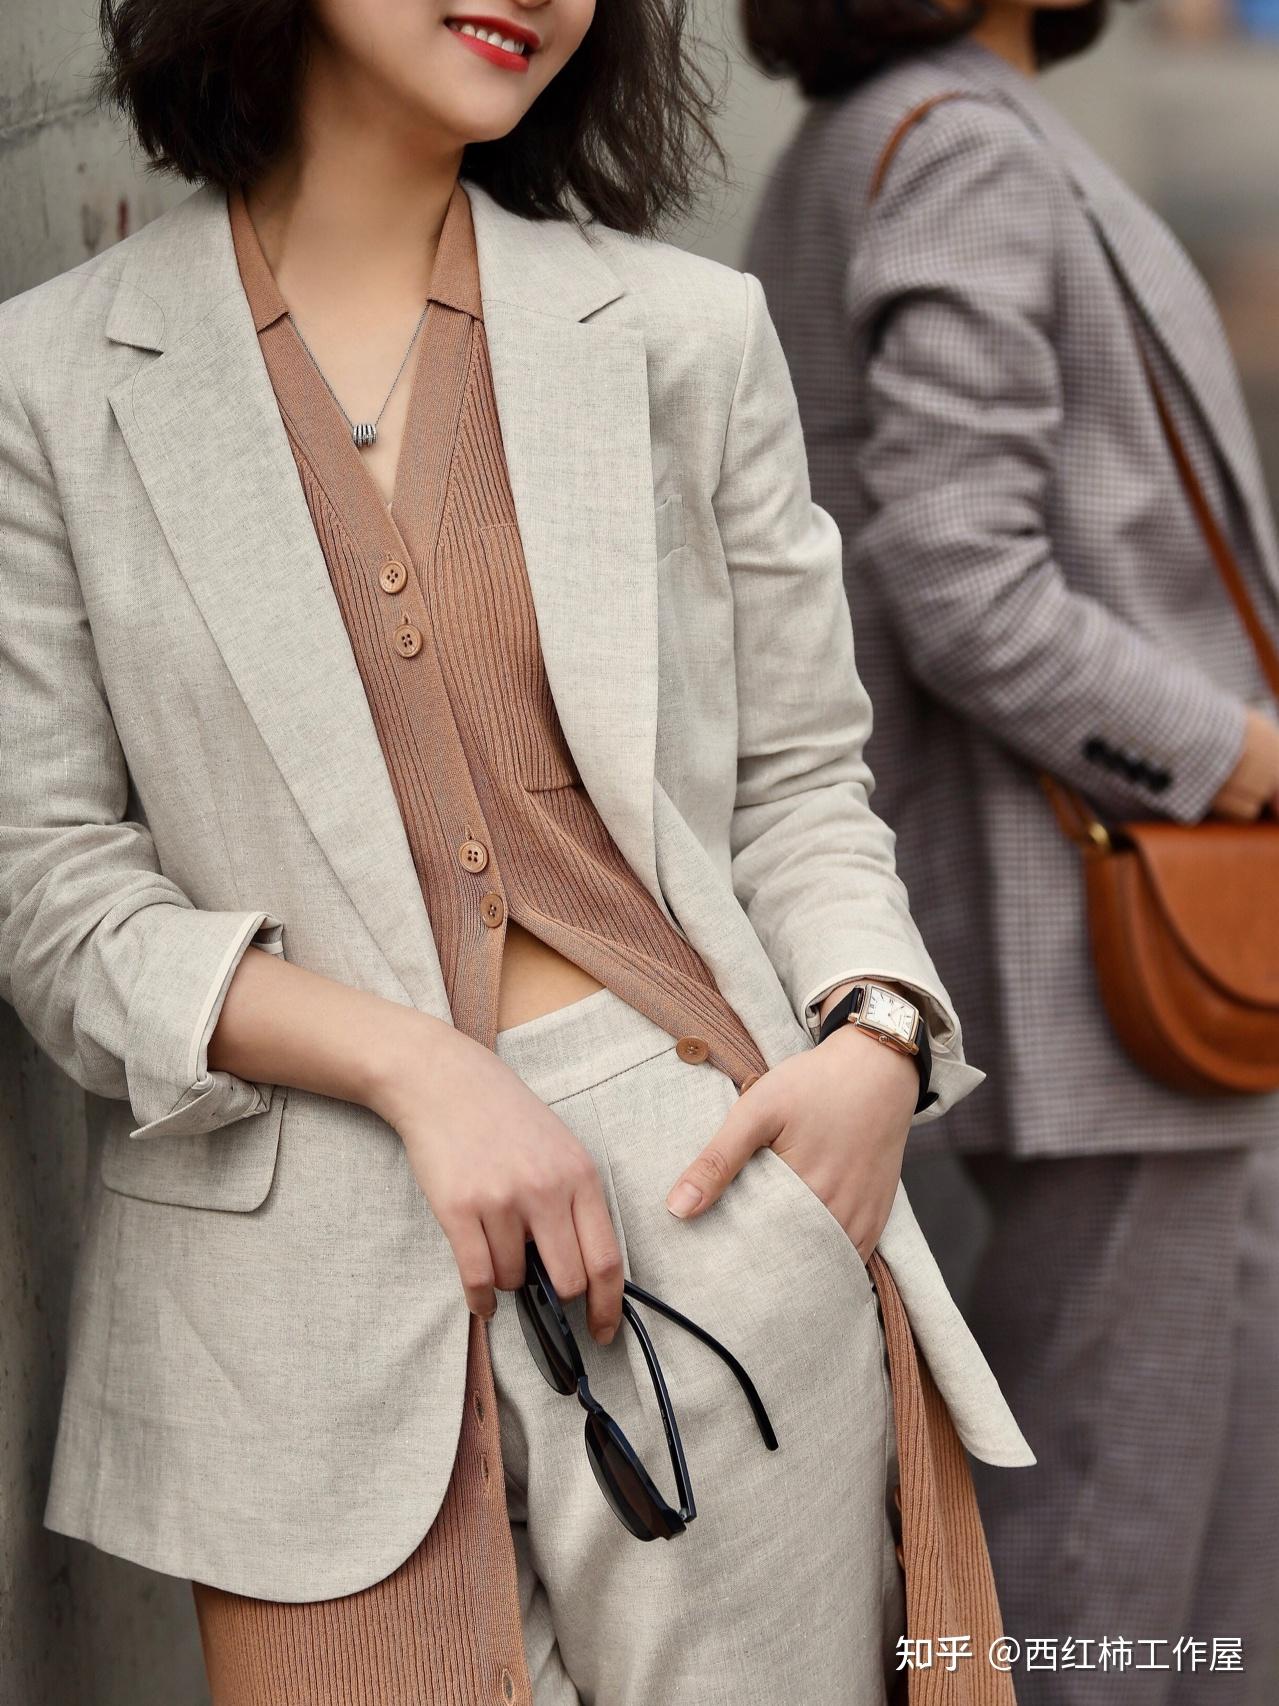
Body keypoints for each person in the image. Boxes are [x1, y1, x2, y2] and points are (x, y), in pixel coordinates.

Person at [0, 0, 1038, 1700]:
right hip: (296, 1305)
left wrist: (873, 1038)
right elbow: (51, 886)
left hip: (717, 1219)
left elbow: (800, 779)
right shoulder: (52, 382)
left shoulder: (687, 336)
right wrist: (414, 1065)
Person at [744, 2, 1279, 1702]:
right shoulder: (962, 144)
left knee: (1172, 1510)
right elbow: (963, 576)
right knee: (1110, 1550)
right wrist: (1243, 753)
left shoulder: (874, 136)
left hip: (1080, 925)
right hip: (1105, 948)